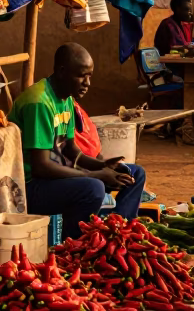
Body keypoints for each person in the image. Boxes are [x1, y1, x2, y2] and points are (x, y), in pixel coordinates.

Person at [10, 43, 145, 238]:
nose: (87, 83)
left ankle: (118, 236)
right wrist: (96, 175)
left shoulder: (66, 99)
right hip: (29, 187)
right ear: (62, 72)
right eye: (82, 75)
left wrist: (103, 164)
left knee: (135, 173)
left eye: (89, 75)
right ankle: (72, 247)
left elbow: (71, 150)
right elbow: (41, 167)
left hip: (52, 178)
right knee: (93, 188)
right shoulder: (39, 103)